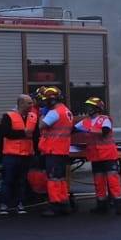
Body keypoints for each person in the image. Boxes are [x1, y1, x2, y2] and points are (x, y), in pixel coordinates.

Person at [76, 97, 121, 214]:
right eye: (87, 107)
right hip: (95, 156)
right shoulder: (85, 121)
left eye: (90, 107)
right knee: (98, 181)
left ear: (97, 109)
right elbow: (73, 129)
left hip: (108, 155)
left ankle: (119, 205)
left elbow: (105, 132)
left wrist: (88, 130)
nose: (88, 109)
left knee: (112, 180)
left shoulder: (104, 119)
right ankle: (101, 204)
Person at [36, 86, 74, 216]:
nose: (44, 103)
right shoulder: (66, 111)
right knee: (60, 178)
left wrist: (41, 114)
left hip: (53, 150)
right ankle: (64, 203)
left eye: (46, 101)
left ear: (51, 101)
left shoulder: (54, 112)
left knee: (52, 179)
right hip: (62, 150)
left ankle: (54, 206)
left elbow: (41, 126)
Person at [0, 94, 38, 216]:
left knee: (22, 181)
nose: (32, 105)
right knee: (8, 180)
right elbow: (6, 133)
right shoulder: (9, 116)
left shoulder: (33, 116)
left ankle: (20, 204)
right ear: (21, 104)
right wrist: (24, 133)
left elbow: (35, 135)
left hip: (26, 154)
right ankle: (4, 205)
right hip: (11, 154)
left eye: (31, 103)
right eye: (29, 103)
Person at [25, 89, 50, 206]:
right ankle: (36, 193)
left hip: (38, 147)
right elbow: (35, 132)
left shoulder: (37, 111)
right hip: (36, 146)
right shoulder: (34, 113)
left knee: (37, 170)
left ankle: (36, 193)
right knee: (37, 170)